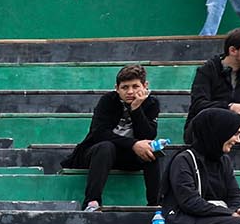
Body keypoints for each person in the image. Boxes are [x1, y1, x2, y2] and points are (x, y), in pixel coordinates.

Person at [63, 65, 165, 211]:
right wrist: (133, 144)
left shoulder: (151, 103)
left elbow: (147, 136)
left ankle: (155, 205)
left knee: (152, 151)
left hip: (127, 156)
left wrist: (136, 109)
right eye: (125, 87)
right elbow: (99, 133)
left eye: (135, 86)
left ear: (145, 86)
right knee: (106, 147)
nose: (130, 92)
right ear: (116, 88)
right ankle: (92, 202)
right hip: (97, 154)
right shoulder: (107, 101)